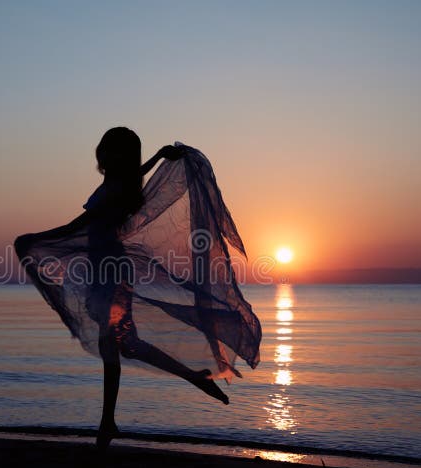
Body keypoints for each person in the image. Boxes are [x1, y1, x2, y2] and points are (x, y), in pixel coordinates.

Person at [15, 127, 259, 451]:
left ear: (121, 156)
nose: (105, 153)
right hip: (102, 269)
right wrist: (157, 156)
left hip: (112, 271)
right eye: (106, 147)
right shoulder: (118, 184)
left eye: (113, 149)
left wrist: (36, 239)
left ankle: (108, 422)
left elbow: (80, 226)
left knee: (112, 343)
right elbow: (126, 183)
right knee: (125, 344)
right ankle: (190, 377)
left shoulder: (119, 188)